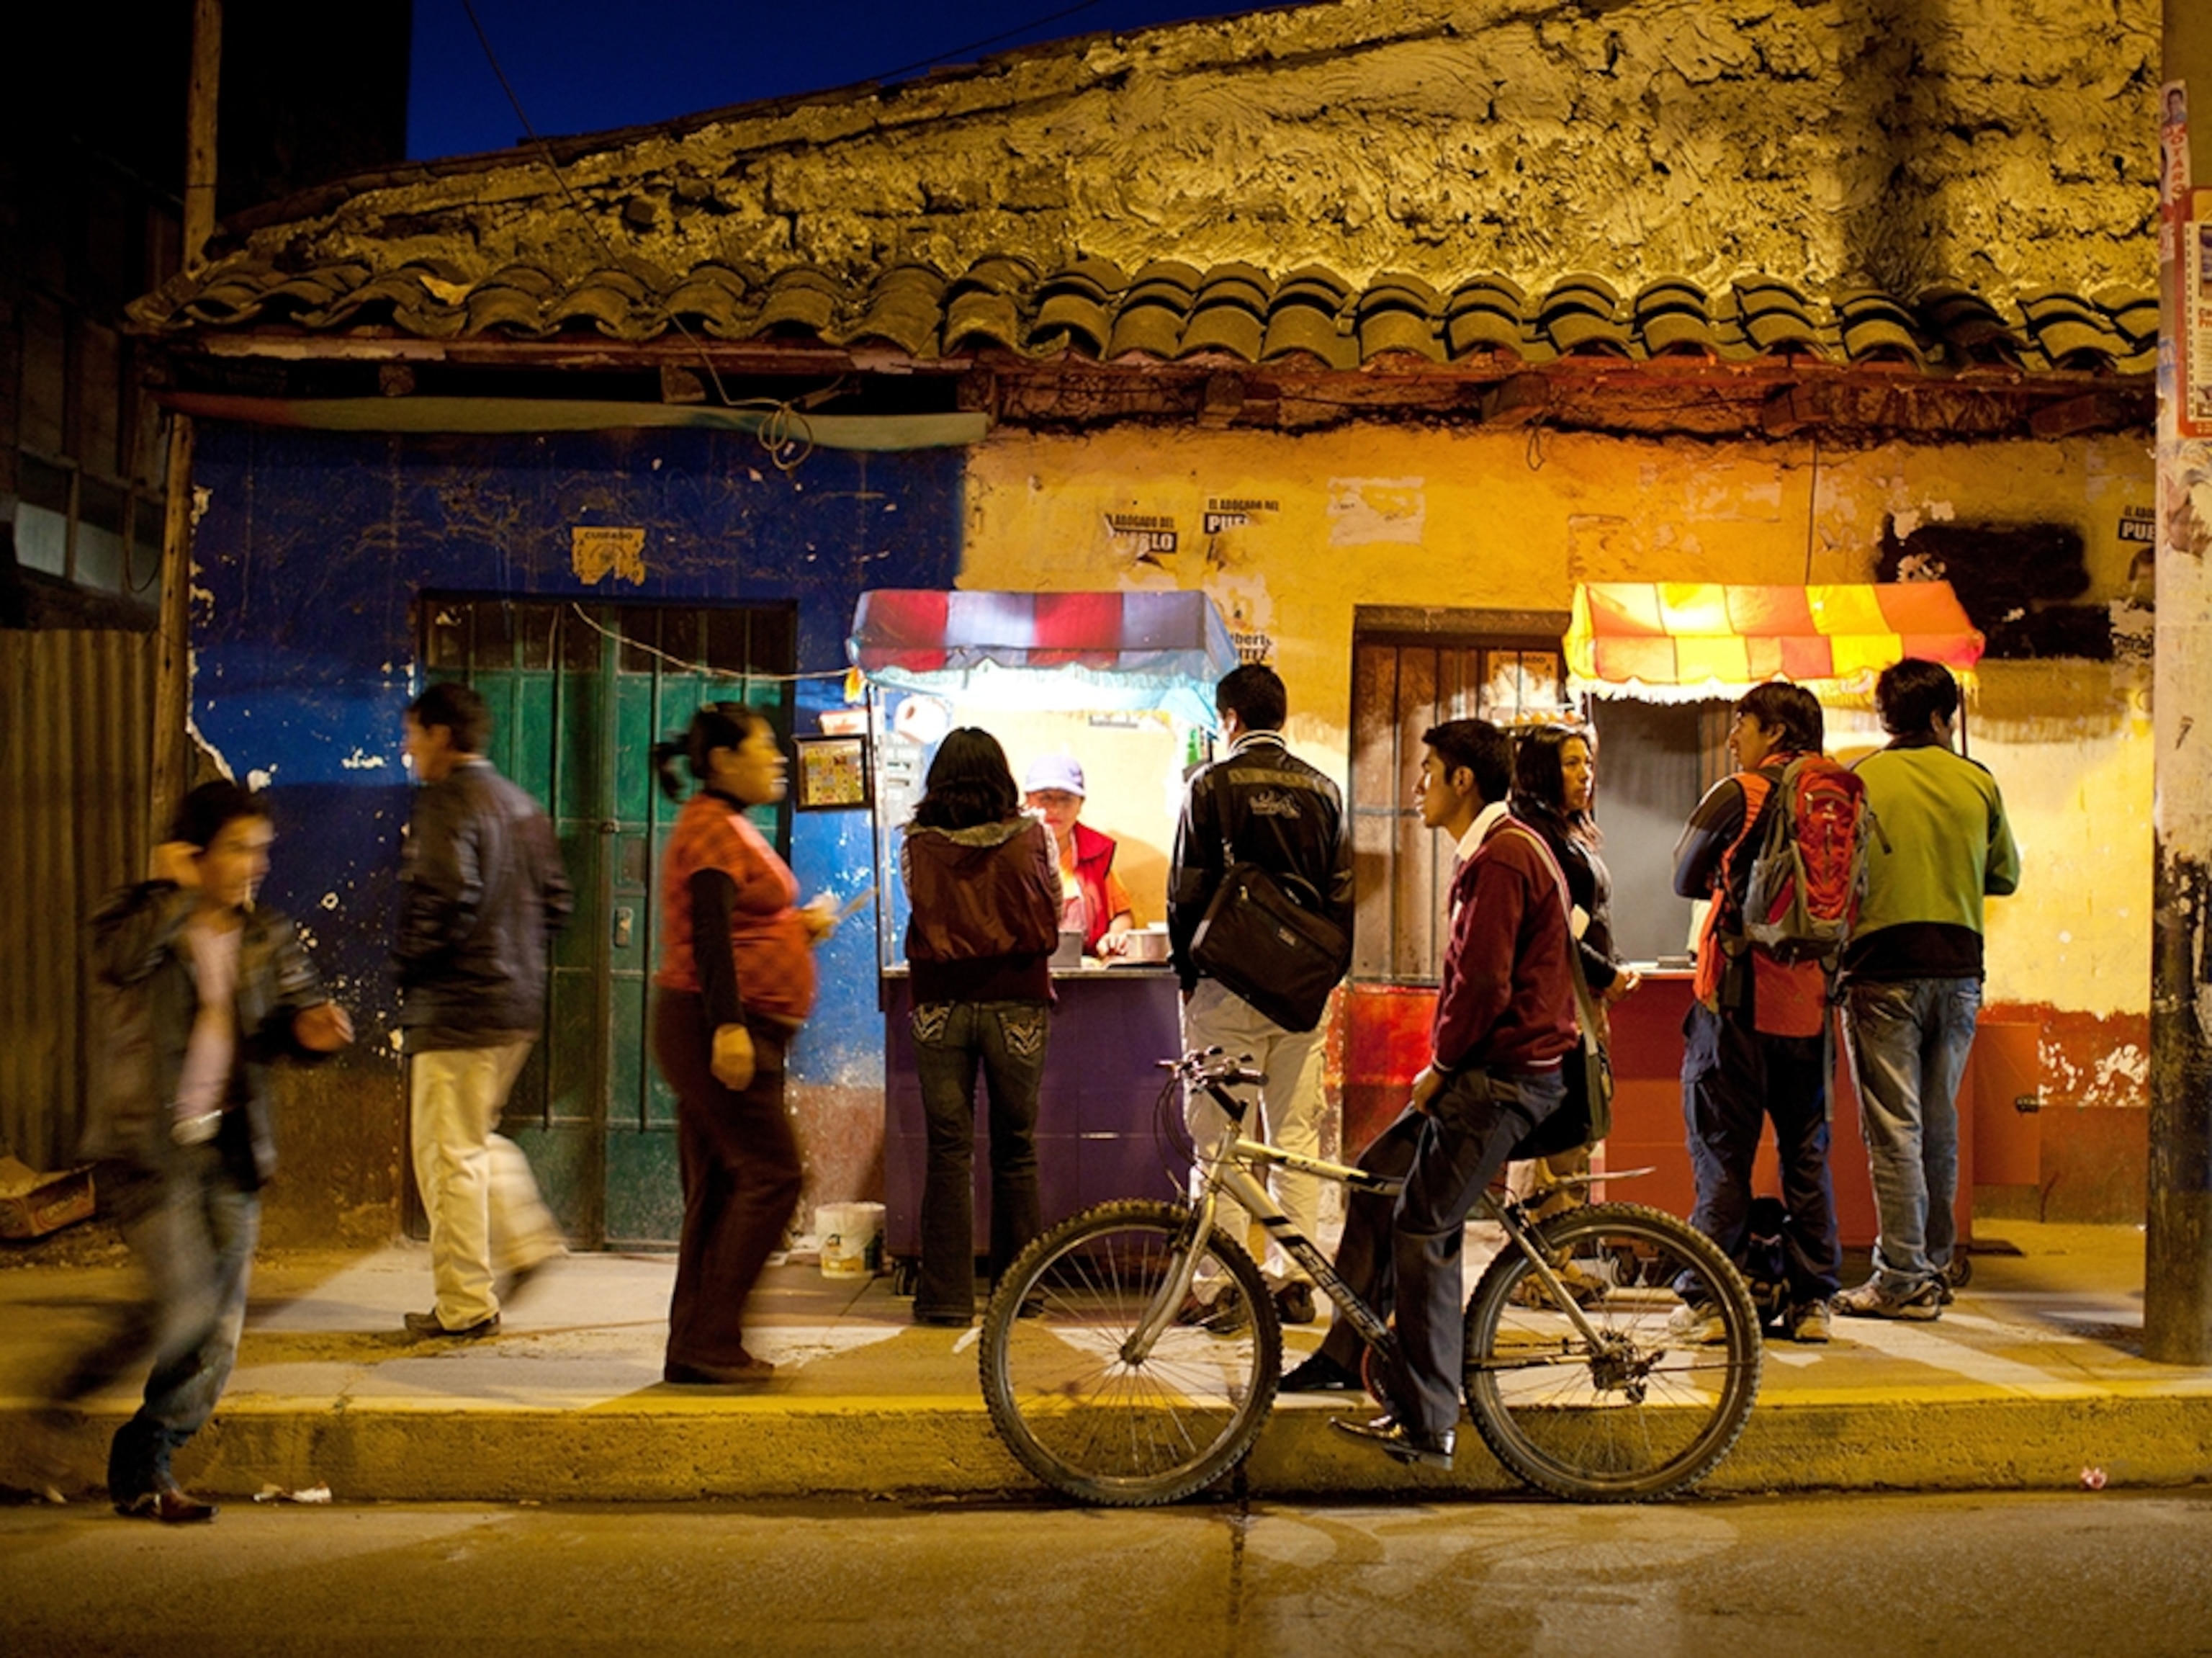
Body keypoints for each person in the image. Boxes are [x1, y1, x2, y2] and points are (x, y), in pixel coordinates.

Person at [49, 781, 352, 1522]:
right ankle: (79, 1383)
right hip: (144, 1147)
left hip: (230, 1150)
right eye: (239, 849)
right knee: (185, 1304)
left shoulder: (266, 934)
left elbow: (289, 1016)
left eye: (261, 850)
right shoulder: (136, 915)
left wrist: (312, 1033)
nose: (254, 865)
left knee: (216, 1329)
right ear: (197, 853)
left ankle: (149, 1454)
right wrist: (175, 894)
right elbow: (116, 961)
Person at [1333, 720, 1578, 1468]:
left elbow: (1482, 985)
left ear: (1463, 780)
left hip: (1501, 1080)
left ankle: (1430, 1417)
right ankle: (1352, 1360)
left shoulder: (1503, 856)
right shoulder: (1503, 848)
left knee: (1422, 1226)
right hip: (1492, 1070)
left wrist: (1439, 1065)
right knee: (1376, 1179)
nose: (1418, 786)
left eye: (1429, 770)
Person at [651, 704, 837, 1384]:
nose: (778, 758)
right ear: (724, 760)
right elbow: (707, 932)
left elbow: (738, 924)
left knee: (723, 1184)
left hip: (717, 1021)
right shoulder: (711, 829)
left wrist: (794, 928)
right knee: (773, 1175)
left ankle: (696, 1345)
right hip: (717, 1025)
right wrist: (728, 1027)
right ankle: (709, 1340)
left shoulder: (724, 824)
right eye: (763, 747)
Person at [1167, 663, 1354, 1327]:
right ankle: (1290, 1281)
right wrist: (1319, 981)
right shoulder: (1325, 791)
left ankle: (1217, 1289)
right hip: (1299, 997)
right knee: (1296, 1141)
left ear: (1229, 720)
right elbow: (1342, 900)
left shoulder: (1208, 787)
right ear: (1282, 717)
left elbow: (1185, 892)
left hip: (1224, 990)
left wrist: (1191, 979)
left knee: (1216, 1143)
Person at [1835, 660, 2021, 1320]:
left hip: (1882, 970)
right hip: (1960, 971)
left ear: (1887, 717)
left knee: (1895, 1130)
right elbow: (2005, 876)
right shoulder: (1978, 782)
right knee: (1939, 1126)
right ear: (1945, 718)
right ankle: (1933, 1265)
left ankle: (1902, 1279)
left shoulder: (1860, 780)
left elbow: (1840, 877)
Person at [395, 682, 572, 1340]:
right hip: (516, 1003)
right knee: (471, 1135)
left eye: (414, 734)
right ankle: (527, 1241)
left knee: (448, 1157)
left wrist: (411, 968)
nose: (409, 748)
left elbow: (444, 893)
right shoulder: (524, 805)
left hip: (459, 1004)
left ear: (443, 735)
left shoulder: (446, 802)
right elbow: (557, 903)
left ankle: (465, 1306)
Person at [1671, 681, 1843, 1343]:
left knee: (1723, 1151)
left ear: (1774, 732)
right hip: (1810, 1004)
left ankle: (1714, 1301)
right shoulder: (1841, 794)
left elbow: (1684, 875)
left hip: (1738, 1002)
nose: (1732, 736)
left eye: (1741, 722)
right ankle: (1812, 1304)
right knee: (1807, 1154)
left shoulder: (1741, 792)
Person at [904, 730, 1063, 1326]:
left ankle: (944, 1299)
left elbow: (921, 905)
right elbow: (1053, 905)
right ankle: (1018, 1294)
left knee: (949, 1151)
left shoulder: (915, 844)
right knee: (1015, 1151)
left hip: (940, 1003)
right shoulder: (1035, 835)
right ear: (1002, 777)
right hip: (1017, 1001)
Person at [1506, 725, 1640, 1216]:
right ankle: (1541, 1264)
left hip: (1582, 999)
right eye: (1570, 764)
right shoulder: (1536, 837)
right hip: (1558, 1003)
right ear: (1541, 771)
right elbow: (1554, 933)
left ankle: (1556, 1251)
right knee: (1558, 1129)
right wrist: (1608, 974)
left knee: (1578, 1125)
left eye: (1587, 762)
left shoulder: (1566, 830)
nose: (1586, 774)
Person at [1022, 754, 1136, 959]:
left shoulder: (1096, 854)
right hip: (1026, 972)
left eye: (1066, 799)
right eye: (1045, 798)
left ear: (1080, 803)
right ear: (1027, 800)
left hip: (1085, 974)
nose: (1056, 809)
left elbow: (1123, 914)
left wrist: (1114, 936)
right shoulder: (1012, 852)